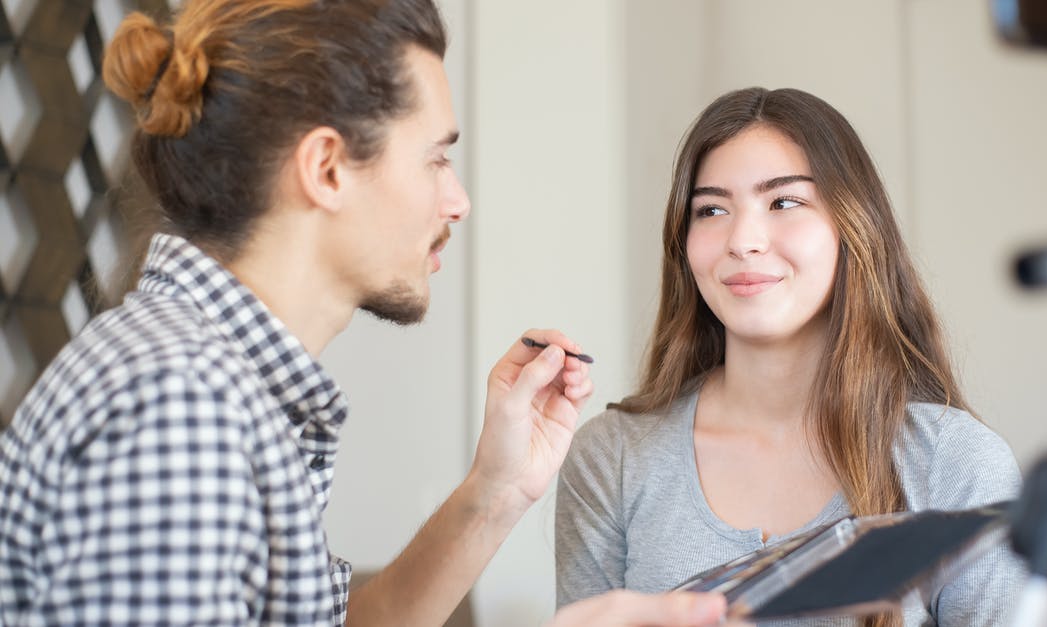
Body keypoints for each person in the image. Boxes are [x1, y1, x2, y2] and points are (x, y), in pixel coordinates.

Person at [0, 1, 732, 625]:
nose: (458, 200)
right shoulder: (182, 407)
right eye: (435, 159)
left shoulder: (214, 380)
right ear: (326, 169)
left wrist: (497, 489)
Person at [555, 87, 1027, 626]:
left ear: (855, 226)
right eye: (711, 209)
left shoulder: (957, 465)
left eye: (783, 202)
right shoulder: (610, 460)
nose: (743, 240)